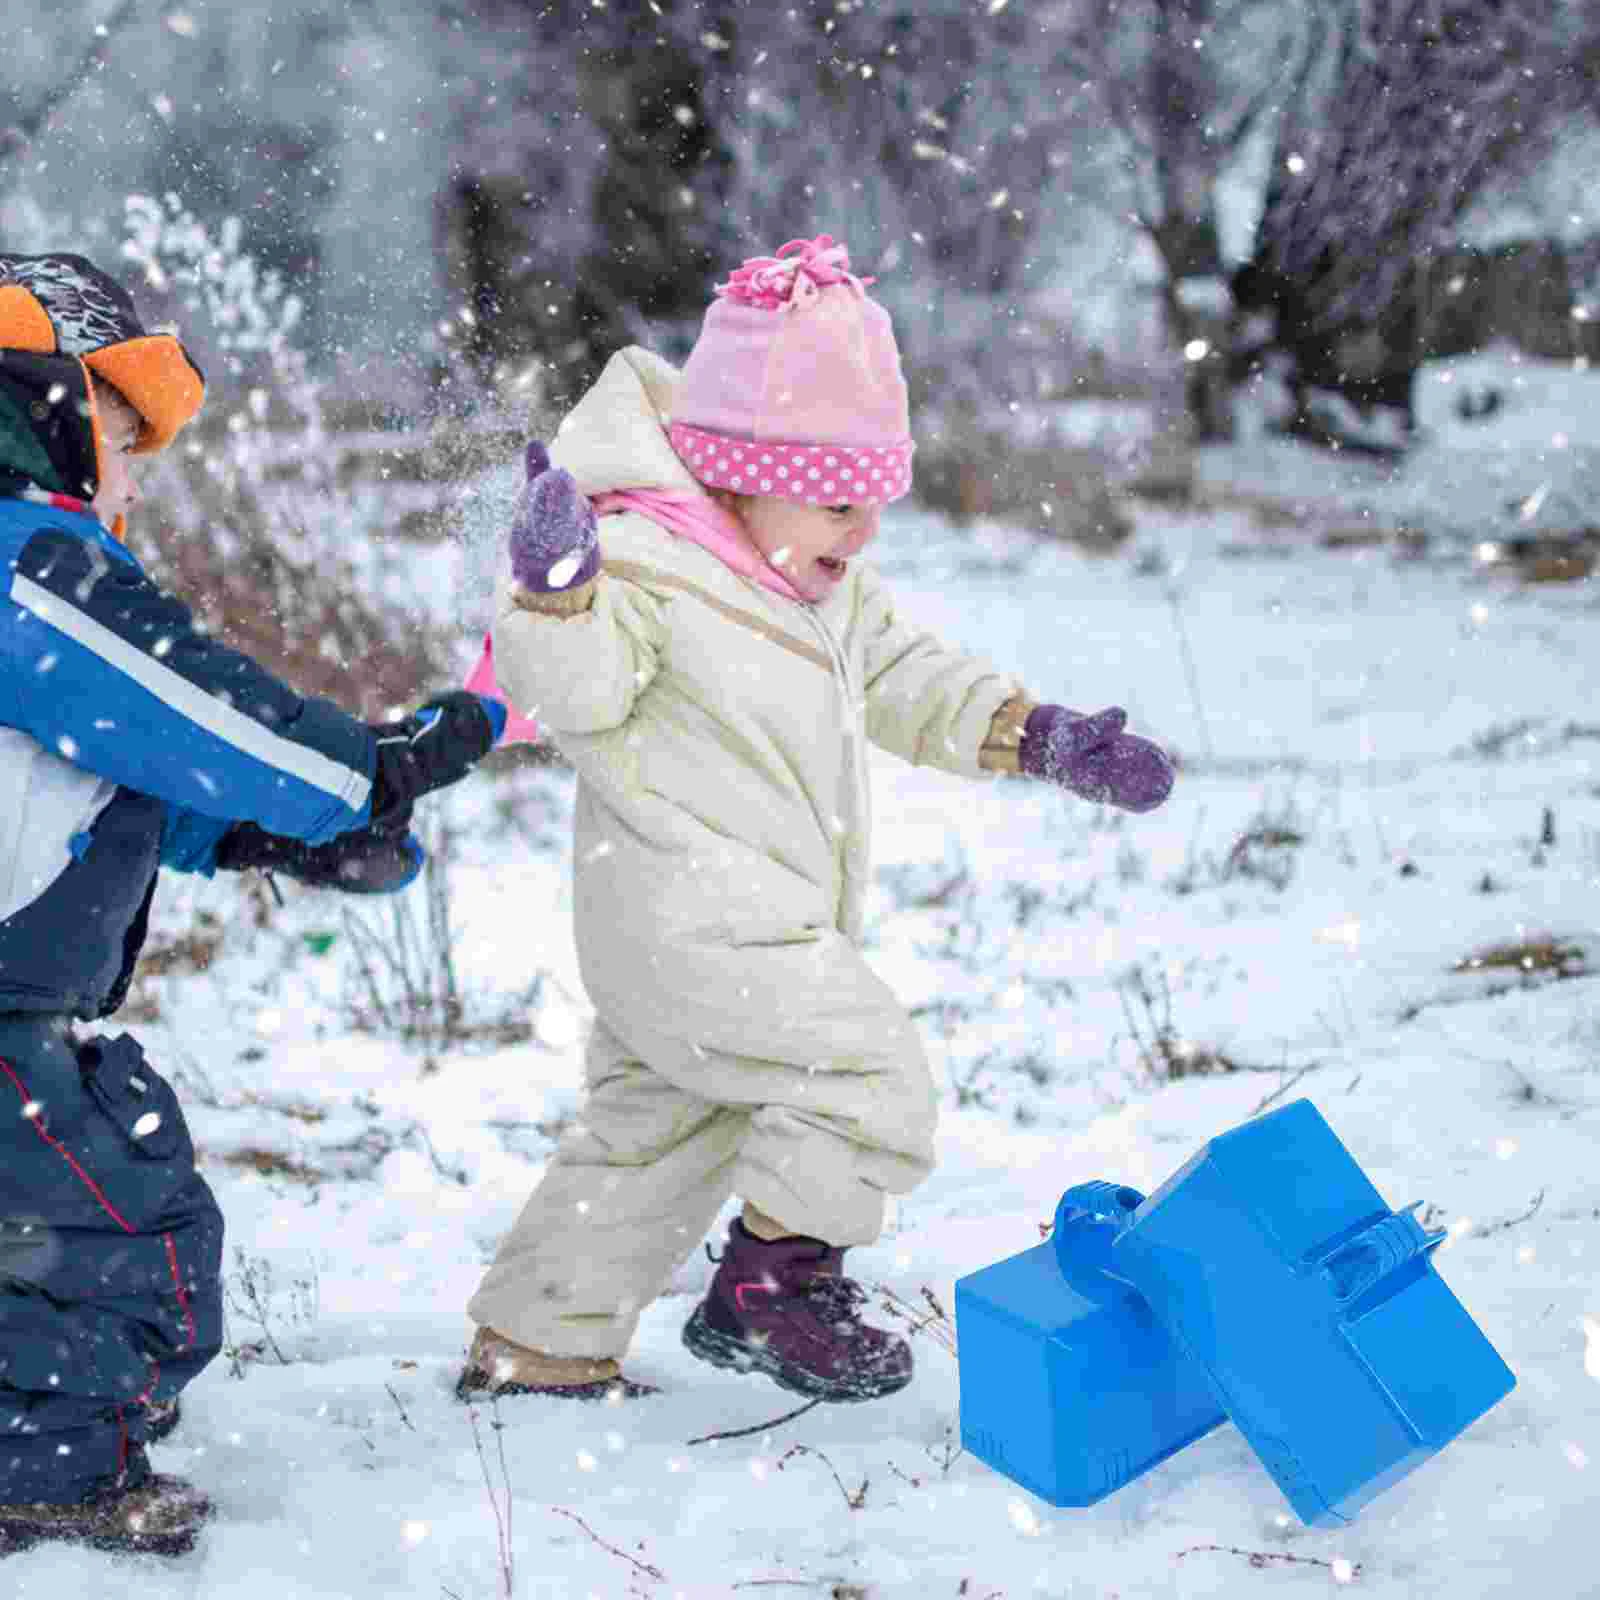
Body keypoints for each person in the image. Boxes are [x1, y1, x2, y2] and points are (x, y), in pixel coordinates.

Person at [457, 234, 1175, 1410]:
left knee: (657, 1131)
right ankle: (772, 1290)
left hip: (725, 926)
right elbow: (568, 691)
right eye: (841, 500)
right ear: (745, 473)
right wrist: (556, 595)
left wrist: (1035, 733)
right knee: (867, 1070)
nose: (863, 531)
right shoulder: (646, 565)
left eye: (874, 503)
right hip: (693, 922)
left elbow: (908, 675)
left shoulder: (812, 581)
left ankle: (538, 1345)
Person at [0, 252, 505, 1556]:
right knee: (129, 1238)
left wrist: (273, 839)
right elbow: (189, 704)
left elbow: (104, 771)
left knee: (49, 1240)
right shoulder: (26, 568)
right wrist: (364, 770)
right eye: (118, 434)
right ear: (38, 404)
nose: (131, 472)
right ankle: (44, 1476)